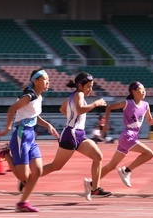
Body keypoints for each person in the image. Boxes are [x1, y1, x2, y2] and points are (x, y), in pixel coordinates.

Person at [0, 69, 59, 212]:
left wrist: (48, 125)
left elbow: (34, 116)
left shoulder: (39, 97)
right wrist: (7, 128)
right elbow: (11, 109)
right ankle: (6, 153)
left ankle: (22, 203)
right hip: (21, 134)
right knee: (22, 176)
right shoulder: (29, 96)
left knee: (37, 171)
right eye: (45, 79)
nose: (48, 81)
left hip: (30, 135)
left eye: (48, 79)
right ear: (36, 81)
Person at [38, 73, 111, 201]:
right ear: (80, 85)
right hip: (70, 134)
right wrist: (96, 103)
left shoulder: (72, 97)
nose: (90, 89)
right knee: (56, 166)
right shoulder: (79, 94)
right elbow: (80, 109)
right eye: (88, 86)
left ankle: (94, 188)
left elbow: (62, 109)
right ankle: (28, 178)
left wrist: (71, 117)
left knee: (98, 156)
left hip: (79, 134)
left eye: (92, 87)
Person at [100, 81, 153, 187]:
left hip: (132, 137)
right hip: (127, 136)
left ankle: (92, 183)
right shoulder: (127, 103)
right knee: (149, 154)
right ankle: (126, 171)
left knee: (111, 165)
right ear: (133, 91)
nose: (144, 92)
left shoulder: (146, 105)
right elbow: (109, 107)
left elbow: (150, 122)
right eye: (141, 89)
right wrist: (106, 124)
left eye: (144, 89)